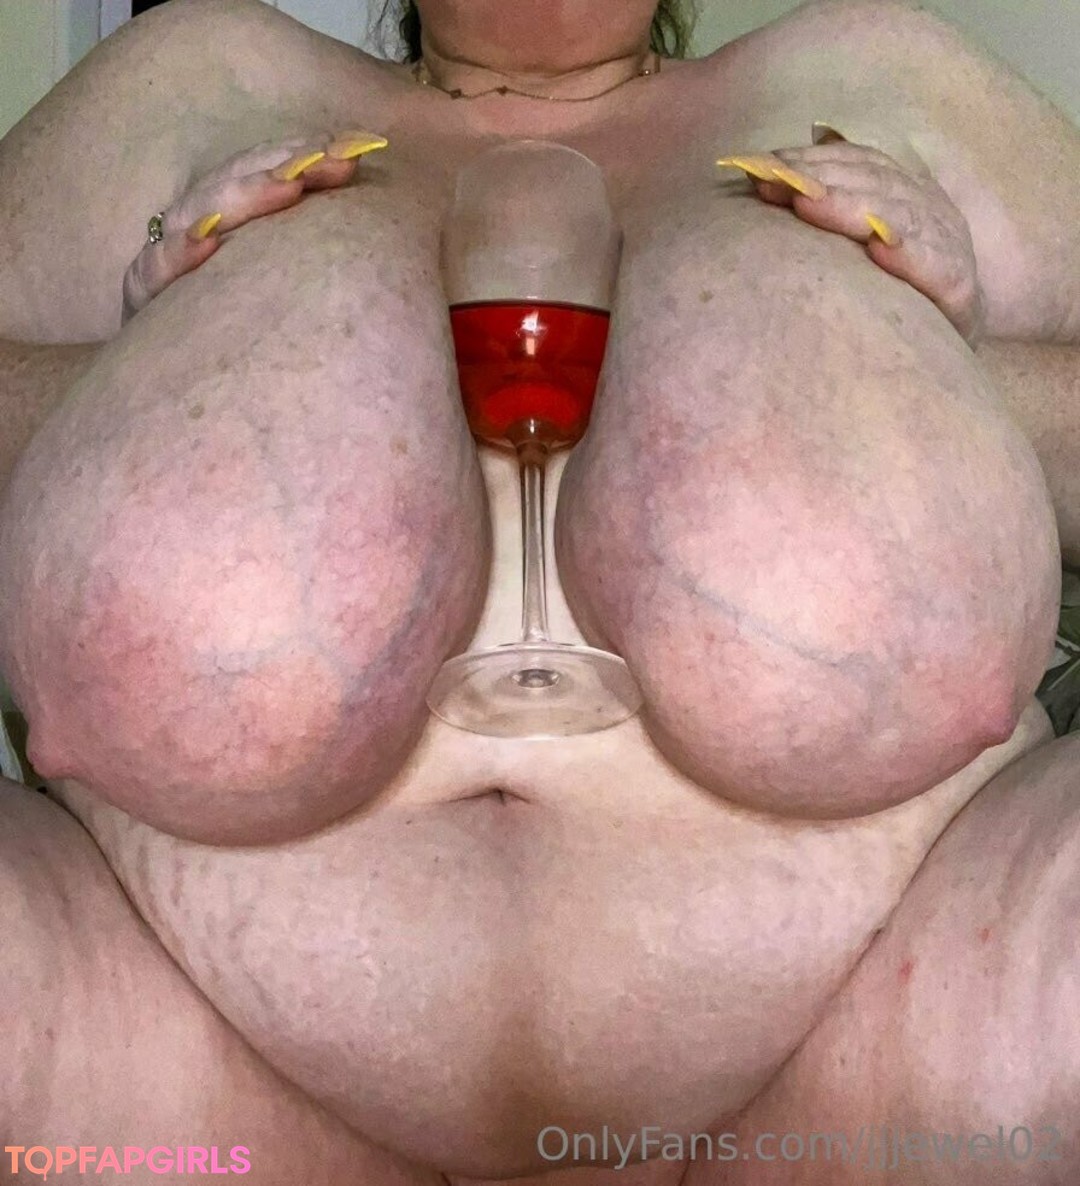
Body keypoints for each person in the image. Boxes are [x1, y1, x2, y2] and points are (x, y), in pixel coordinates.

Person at [0, 0, 1078, 1180]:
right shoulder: (202, 74)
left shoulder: (876, 69)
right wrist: (138, 355)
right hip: (167, 1063)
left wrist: (944, 359)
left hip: (903, 1040)